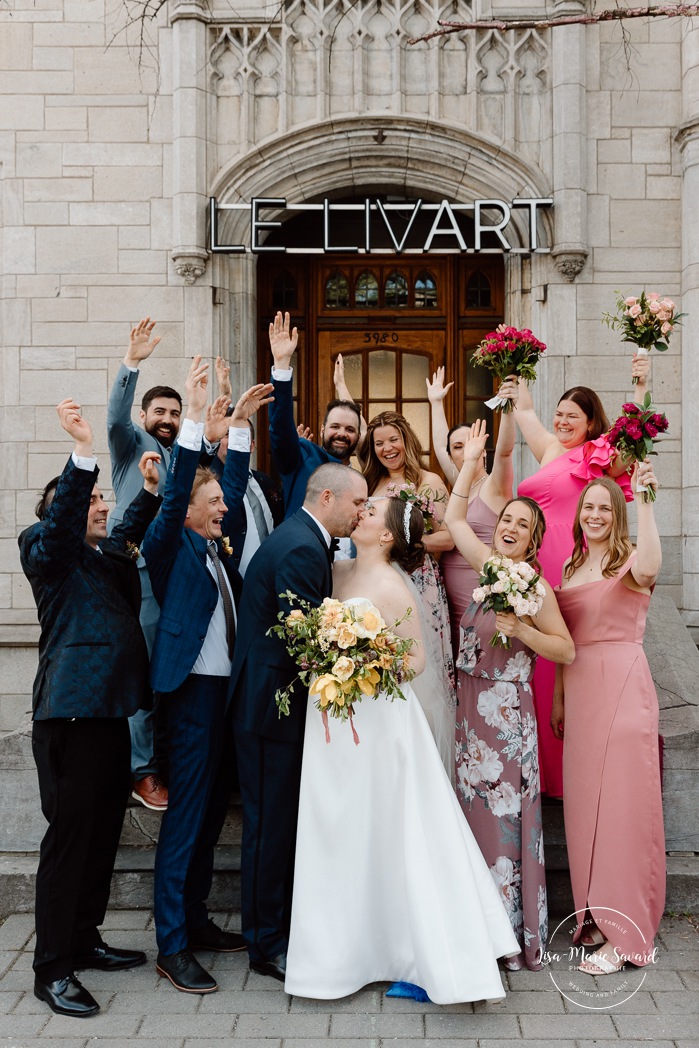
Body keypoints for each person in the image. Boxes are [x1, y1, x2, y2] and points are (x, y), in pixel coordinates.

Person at [284, 494, 520, 1003]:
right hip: (333, 714)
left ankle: (412, 951)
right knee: (338, 825)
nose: (360, 513)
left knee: (390, 826)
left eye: (370, 513)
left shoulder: (394, 586)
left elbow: (414, 663)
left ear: (388, 535)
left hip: (378, 720)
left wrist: (363, 659)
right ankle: (339, 952)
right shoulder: (335, 568)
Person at [19, 399, 162, 1018]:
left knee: (103, 833)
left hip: (111, 713)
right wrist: (82, 454)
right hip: (70, 714)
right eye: (92, 498)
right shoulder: (45, 551)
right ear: (62, 511)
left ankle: (84, 939)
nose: (102, 503)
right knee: (71, 839)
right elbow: (64, 523)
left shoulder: (103, 555)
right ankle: (51, 969)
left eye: (104, 496)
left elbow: (128, 532)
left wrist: (152, 491)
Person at [142, 359, 273, 994]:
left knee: (208, 816)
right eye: (214, 501)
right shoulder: (171, 546)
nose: (226, 508)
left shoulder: (218, 544)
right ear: (191, 510)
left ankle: (194, 921)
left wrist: (241, 430)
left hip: (223, 695)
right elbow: (172, 502)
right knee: (186, 819)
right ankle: (171, 945)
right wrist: (195, 419)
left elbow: (235, 483)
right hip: (190, 697)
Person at [229, 463, 368, 983]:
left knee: (274, 824)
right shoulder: (302, 548)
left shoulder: (300, 537)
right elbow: (304, 635)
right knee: (268, 829)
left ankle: (271, 930)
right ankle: (265, 945)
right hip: (269, 711)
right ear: (327, 496)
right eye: (357, 504)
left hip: (270, 706)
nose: (361, 513)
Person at [444, 420, 575, 971]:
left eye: (524, 523)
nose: (512, 526)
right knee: (473, 819)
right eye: (508, 519)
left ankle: (509, 935)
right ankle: (475, 927)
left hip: (508, 717)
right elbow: (452, 519)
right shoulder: (488, 567)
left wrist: (523, 629)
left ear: (535, 539)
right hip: (469, 713)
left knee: (504, 824)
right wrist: (470, 462)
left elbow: (565, 649)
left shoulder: (535, 586)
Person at [498, 354, 650, 797]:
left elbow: (634, 440)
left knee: (559, 656)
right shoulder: (548, 449)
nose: (563, 421)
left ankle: (569, 776)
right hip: (531, 562)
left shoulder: (599, 456)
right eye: (559, 414)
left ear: (590, 422)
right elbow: (524, 410)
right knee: (535, 664)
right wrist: (514, 361)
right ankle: (538, 772)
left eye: (572, 416)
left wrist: (640, 384)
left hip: (570, 561)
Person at [553, 467, 665, 975]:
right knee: (584, 811)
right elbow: (563, 640)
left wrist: (644, 500)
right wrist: (557, 698)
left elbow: (651, 566)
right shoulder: (571, 564)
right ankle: (596, 914)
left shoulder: (629, 559)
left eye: (604, 507)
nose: (594, 514)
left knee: (621, 808)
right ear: (578, 515)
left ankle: (628, 934)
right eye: (588, 507)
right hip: (578, 692)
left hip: (621, 685)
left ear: (616, 515)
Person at [108, 317, 181, 811]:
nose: (168, 420)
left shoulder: (181, 455)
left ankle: (170, 759)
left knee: (171, 671)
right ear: (145, 413)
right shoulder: (131, 444)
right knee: (142, 671)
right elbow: (113, 418)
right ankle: (142, 770)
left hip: (178, 575)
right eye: (160, 411)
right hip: (137, 577)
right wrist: (132, 361)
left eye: (175, 413)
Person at [357, 409, 455, 776]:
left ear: (406, 440)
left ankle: (426, 760)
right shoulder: (368, 485)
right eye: (379, 443)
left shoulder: (428, 481)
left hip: (420, 581)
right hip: (377, 583)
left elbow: (449, 536)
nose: (387, 448)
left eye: (393, 440)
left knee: (421, 662)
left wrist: (408, 543)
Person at [426, 366, 516, 660]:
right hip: (449, 602)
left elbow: (504, 452)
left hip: (481, 596)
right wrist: (436, 403)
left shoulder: (495, 486)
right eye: (458, 447)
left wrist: (508, 407)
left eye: (472, 444)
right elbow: (440, 445)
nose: (467, 451)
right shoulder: (460, 485)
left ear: (484, 450)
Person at [267, 310, 362, 516]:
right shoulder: (302, 458)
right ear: (322, 430)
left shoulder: (364, 475)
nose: (341, 434)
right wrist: (282, 365)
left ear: (358, 436)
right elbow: (281, 430)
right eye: (335, 427)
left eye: (349, 429)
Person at [209, 417, 283, 576]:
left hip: (270, 578)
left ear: (252, 445)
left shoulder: (265, 482)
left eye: (240, 435)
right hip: (233, 578)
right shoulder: (210, 484)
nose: (233, 442)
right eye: (228, 435)